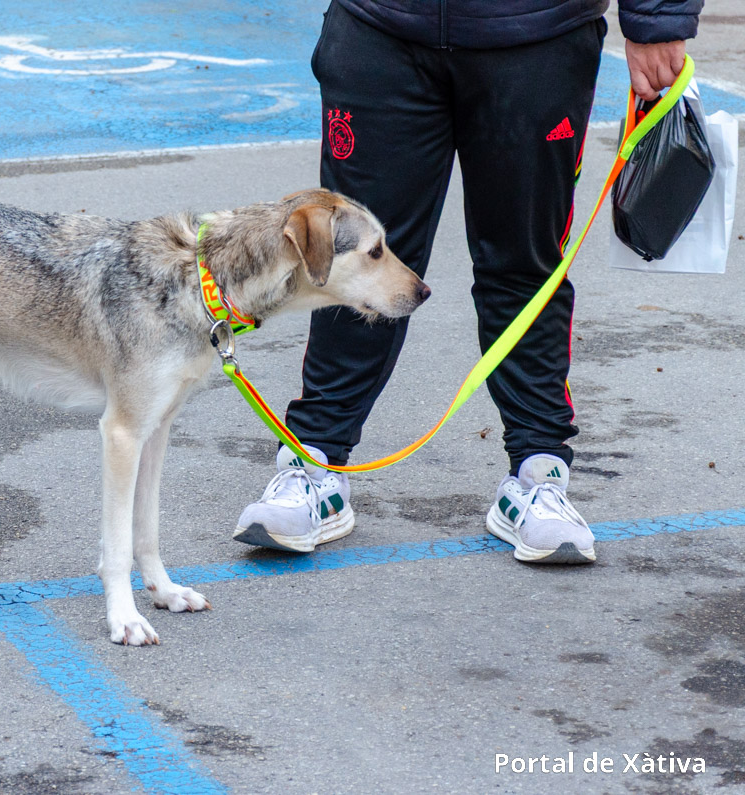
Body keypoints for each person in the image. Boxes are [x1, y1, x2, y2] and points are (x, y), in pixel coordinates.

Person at [233, 0, 703, 562]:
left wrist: (659, 18)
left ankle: (537, 475)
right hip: (381, 28)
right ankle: (312, 462)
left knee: (524, 263)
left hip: (537, 33)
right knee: (350, 262)